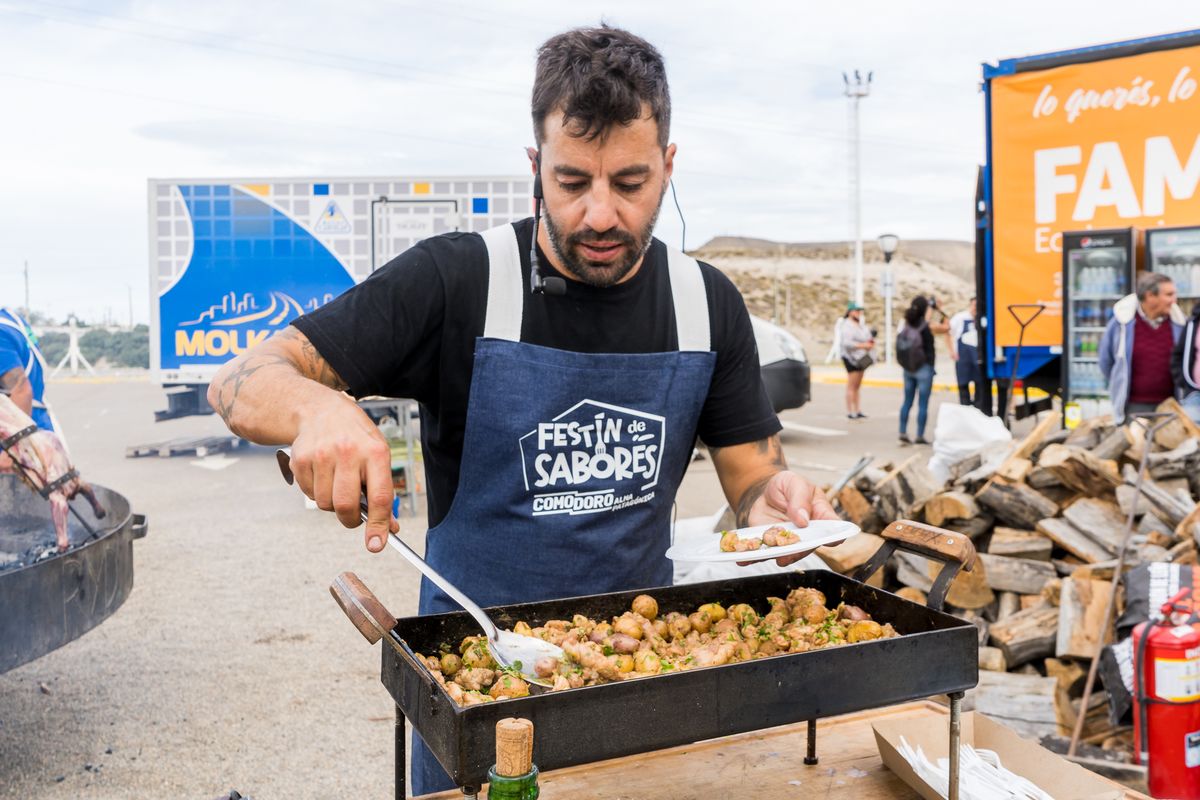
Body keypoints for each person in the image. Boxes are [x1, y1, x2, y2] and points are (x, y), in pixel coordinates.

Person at [207, 25, 837, 795]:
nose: (601, 214)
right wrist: (318, 411)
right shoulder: (460, 279)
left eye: (630, 183)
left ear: (669, 167)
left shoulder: (707, 305)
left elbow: (752, 483)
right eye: (572, 182)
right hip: (476, 684)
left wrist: (773, 501)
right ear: (535, 166)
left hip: (642, 682)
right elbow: (242, 380)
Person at [1098, 272, 1185, 424]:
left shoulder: (1179, 324)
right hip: (1133, 408)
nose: (1174, 300)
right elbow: (1106, 362)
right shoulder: (1121, 323)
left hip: (1171, 407)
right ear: (1150, 296)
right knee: (1136, 447)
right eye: (1169, 295)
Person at [896, 296, 947, 445]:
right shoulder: (926, 326)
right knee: (923, 403)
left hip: (908, 367)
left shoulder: (906, 324)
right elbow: (945, 328)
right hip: (924, 368)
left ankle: (903, 431)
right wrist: (938, 310)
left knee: (907, 401)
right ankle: (919, 435)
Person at [0, 307, 56, 432]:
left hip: (21, 437)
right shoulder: (10, 318)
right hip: (39, 424)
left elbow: (21, 390)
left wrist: (10, 449)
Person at [839, 301, 874, 419]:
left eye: (859, 311)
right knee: (852, 385)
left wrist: (869, 343)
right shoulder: (846, 325)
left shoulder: (861, 325)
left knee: (858, 385)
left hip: (862, 357)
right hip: (851, 358)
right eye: (856, 311)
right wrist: (863, 345)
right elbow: (847, 343)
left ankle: (858, 410)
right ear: (850, 312)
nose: (858, 313)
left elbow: (868, 337)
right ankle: (850, 411)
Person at [1170, 299, 1200, 423]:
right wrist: (1183, 381)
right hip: (1194, 395)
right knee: (1191, 438)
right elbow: (1179, 354)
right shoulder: (1194, 321)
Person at [949, 297, 980, 407]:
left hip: (978, 360)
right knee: (963, 388)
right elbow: (947, 332)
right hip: (963, 359)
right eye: (973, 305)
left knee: (980, 389)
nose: (975, 308)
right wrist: (952, 351)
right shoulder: (960, 318)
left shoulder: (982, 318)